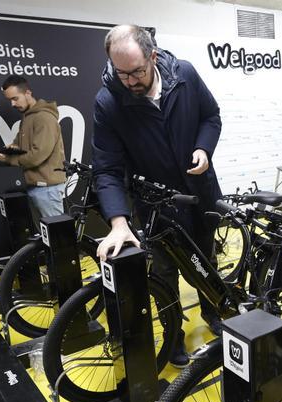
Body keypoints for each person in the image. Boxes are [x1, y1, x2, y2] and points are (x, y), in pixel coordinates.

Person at [91, 24, 222, 367]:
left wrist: (203, 148)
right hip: (157, 205)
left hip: (201, 194)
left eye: (137, 71)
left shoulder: (185, 75)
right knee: (164, 274)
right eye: (122, 73)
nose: (131, 81)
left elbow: (211, 116)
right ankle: (174, 335)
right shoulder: (109, 102)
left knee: (207, 261)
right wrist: (118, 223)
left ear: (152, 56)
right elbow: (105, 169)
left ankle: (215, 311)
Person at [0, 76, 66, 217]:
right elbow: (19, 143)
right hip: (35, 186)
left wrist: (8, 159)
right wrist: (11, 148)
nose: (12, 104)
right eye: (9, 100)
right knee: (45, 235)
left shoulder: (44, 117)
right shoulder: (28, 117)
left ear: (28, 93)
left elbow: (37, 156)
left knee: (56, 236)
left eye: (15, 98)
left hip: (47, 188)